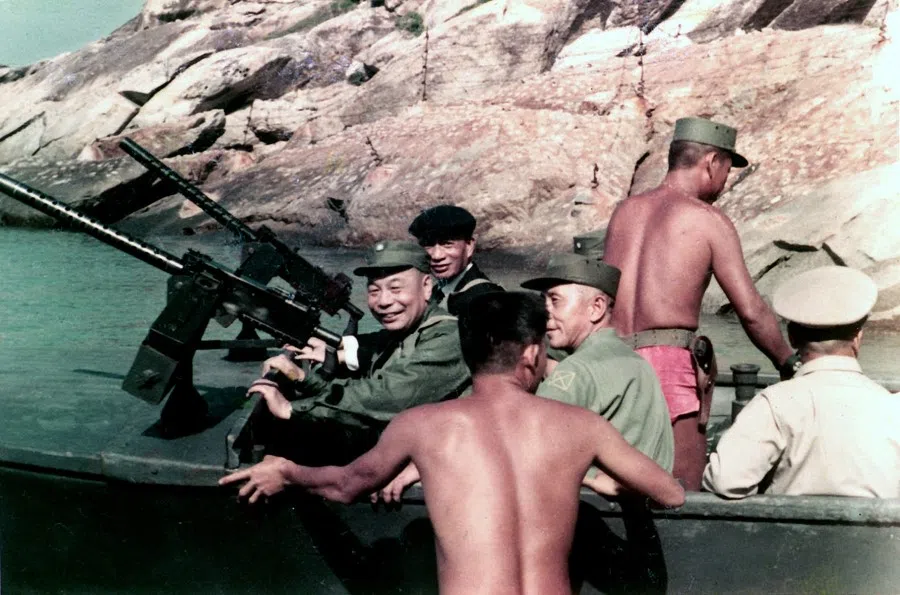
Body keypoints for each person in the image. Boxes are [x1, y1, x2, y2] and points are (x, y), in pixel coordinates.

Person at [221, 292, 685, 594]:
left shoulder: (424, 425)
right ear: (530, 354)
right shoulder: (581, 426)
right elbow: (671, 492)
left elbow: (347, 485)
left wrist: (286, 472)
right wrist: (602, 483)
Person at [603, 116, 796, 490]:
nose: (725, 181)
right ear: (712, 162)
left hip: (612, 358)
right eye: (727, 169)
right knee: (682, 488)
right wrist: (787, 360)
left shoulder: (624, 211)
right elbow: (751, 311)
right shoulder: (708, 221)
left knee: (620, 481)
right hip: (668, 364)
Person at [250, 240, 471, 464]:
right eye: (374, 291)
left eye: (396, 288)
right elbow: (369, 359)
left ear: (426, 287)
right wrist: (315, 367)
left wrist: (293, 408)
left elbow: (388, 397)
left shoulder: (448, 337)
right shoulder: (405, 332)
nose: (383, 301)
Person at [703, 266, 900, 498]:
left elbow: (725, 481)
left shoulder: (774, 403)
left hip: (789, 534)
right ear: (858, 339)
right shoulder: (892, 406)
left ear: (792, 337)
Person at [522, 254, 674, 472]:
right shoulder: (636, 362)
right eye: (542, 302)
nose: (545, 313)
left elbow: (526, 447)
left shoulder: (577, 370)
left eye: (555, 301)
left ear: (596, 307)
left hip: (594, 503)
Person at [408, 204, 503, 316]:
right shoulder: (436, 292)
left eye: (447, 244)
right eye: (428, 245)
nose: (437, 256)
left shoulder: (486, 300)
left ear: (469, 246)